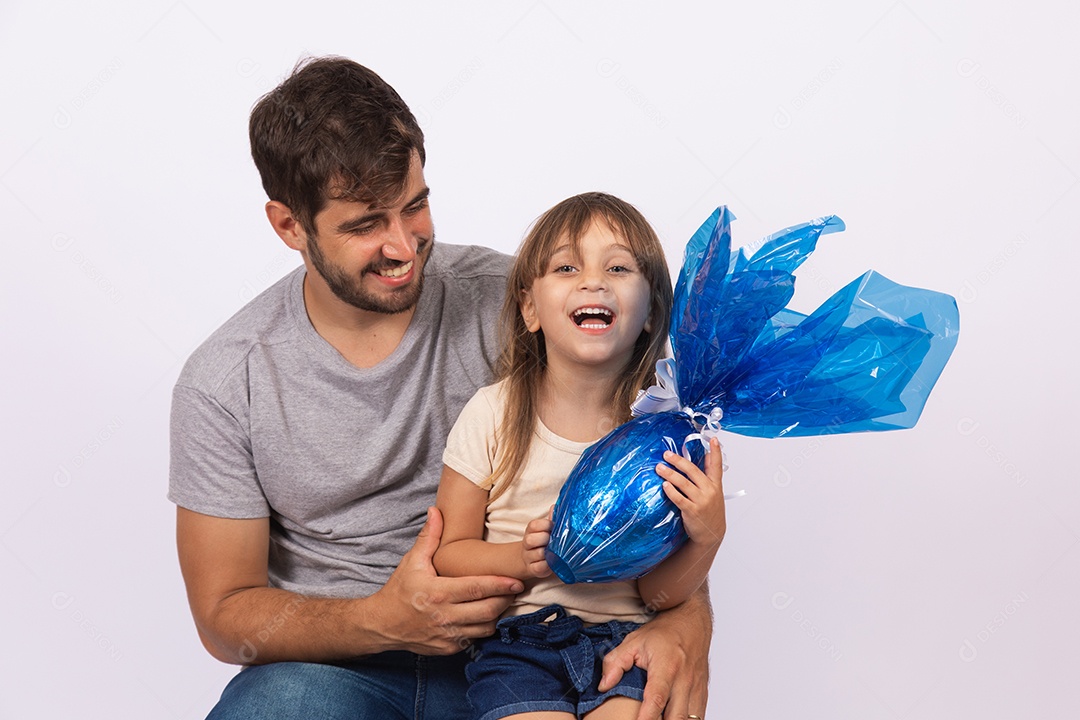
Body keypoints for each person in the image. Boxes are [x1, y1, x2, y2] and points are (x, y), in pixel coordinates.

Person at [170, 56, 714, 720]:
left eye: (416, 206)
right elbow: (224, 616)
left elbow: (647, 452)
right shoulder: (227, 381)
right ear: (290, 226)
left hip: (524, 645)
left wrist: (687, 621)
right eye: (365, 224)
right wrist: (381, 620)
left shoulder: (526, 299)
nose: (404, 246)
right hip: (336, 672)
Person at [432, 193, 727, 720]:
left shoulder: (668, 434)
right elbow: (448, 552)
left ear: (651, 314)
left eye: (618, 267)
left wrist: (707, 536)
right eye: (567, 267)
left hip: (630, 645)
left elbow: (658, 596)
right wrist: (515, 560)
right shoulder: (492, 413)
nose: (594, 281)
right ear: (530, 308)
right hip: (519, 647)